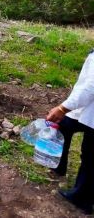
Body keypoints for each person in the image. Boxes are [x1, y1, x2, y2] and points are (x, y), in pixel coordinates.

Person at [46, 50, 94, 214]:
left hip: (90, 109)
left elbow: (90, 87)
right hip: (86, 108)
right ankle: (59, 165)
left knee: (90, 155)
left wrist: (63, 108)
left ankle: (83, 198)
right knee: (64, 126)